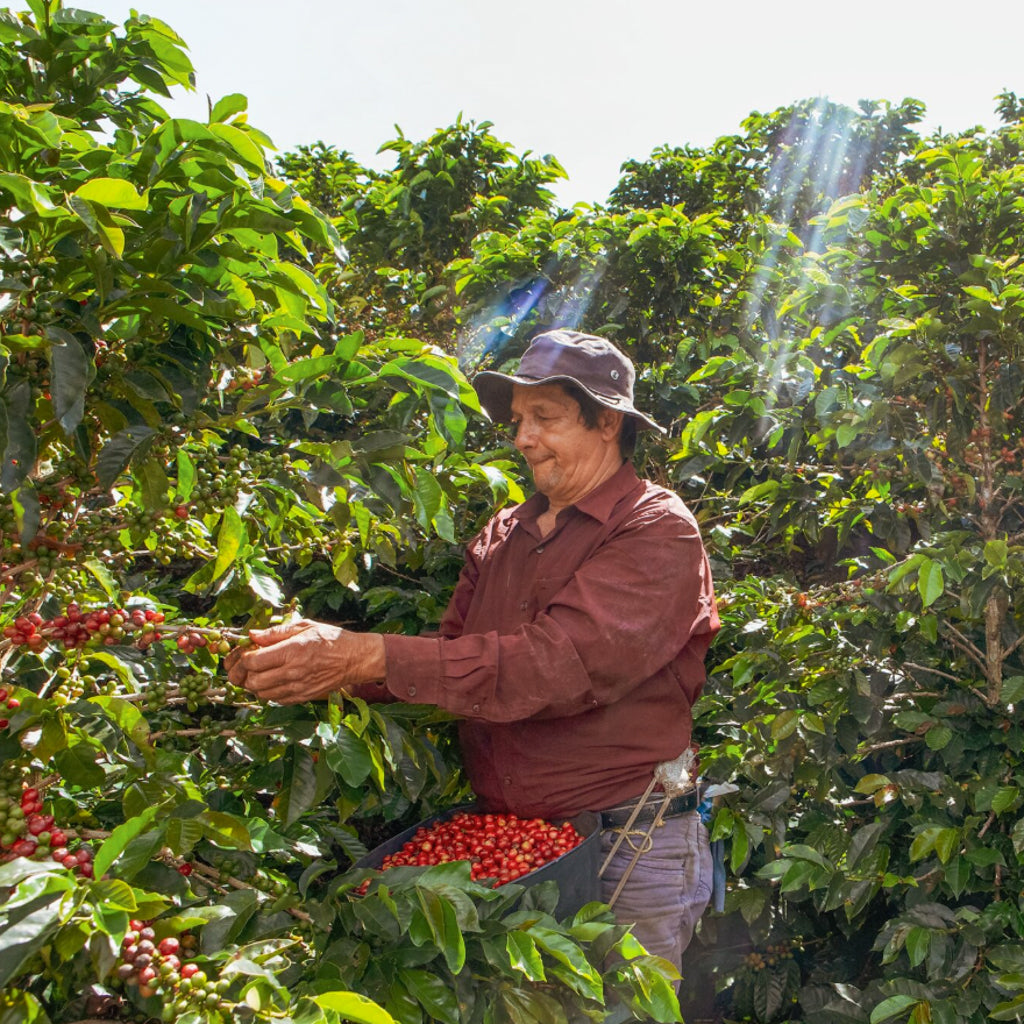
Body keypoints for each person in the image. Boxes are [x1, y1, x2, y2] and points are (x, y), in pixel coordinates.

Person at [227, 328, 719, 973]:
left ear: (606, 423)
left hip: (630, 839)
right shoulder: (505, 532)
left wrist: (363, 655)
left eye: (545, 417)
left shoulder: (654, 529)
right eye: (518, 420)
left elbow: (557, 665)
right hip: (517, 838)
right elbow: (454, 659)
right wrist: (319, 663)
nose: (523, 438)